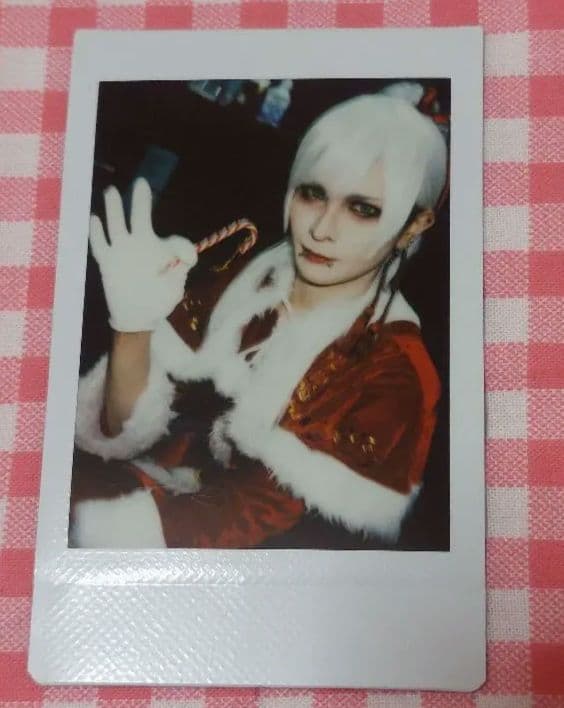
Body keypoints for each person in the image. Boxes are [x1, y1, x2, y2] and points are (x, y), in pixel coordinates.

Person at [69, 82, 448, 549]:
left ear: (414, 226)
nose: (321, 229)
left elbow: (251, 528)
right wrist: (133, 324)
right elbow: (116, 431)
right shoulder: (247, 281)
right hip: (135, 500)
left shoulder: (395, 372)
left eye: (363, 209)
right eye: (313, 193)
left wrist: (96, 526)